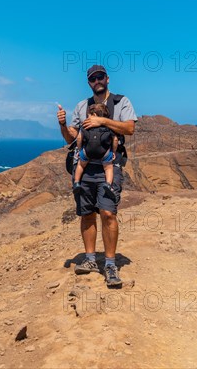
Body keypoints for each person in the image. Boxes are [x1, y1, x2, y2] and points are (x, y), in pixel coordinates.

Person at [56, 65, 137, 287]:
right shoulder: (82, 106)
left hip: (109, 165)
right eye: (92, 79)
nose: (97, 81)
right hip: (85, 166)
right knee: (87, 214)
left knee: (108, 212)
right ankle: (91, 259)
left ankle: (110, 264)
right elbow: (72, 138)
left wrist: (103, 121)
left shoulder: (122, 102)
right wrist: (63, 124)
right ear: (89, 82)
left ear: (107, 79)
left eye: (100, 77)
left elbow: (129, 128)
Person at [73, 103, 119, 204]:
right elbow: (115, 140)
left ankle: (76, 182)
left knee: (81, 165)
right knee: (108, 168)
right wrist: (113, 152)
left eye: (88, 115)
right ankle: (108, 184)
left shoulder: (85, 126)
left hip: (87, 152)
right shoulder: (108, 127)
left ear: (94, 115)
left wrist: (80, 150)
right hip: (104, 153)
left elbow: (79, 138)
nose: (87, 117)